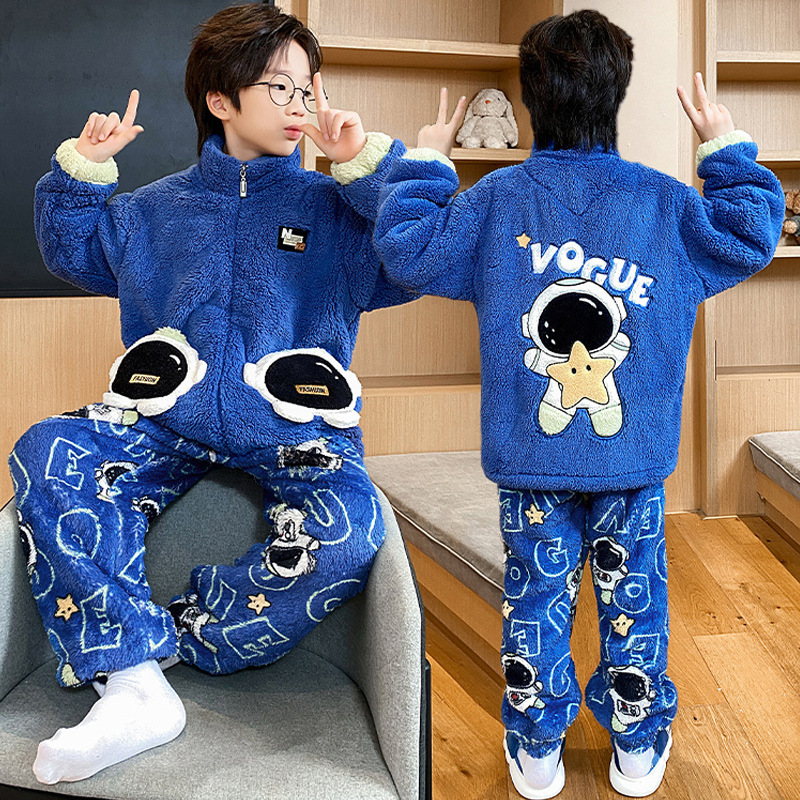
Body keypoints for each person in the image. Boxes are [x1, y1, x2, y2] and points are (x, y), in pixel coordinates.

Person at [374, 10, 783, 798]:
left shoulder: (496, 200)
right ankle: (637, 741)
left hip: (533, 458)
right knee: (634, 600)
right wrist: (723, 145)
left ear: (530, 98)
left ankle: (535, 747)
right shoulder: (664, 203)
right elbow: (749, 234)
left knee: (535, 598)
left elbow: (409, 249)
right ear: (618, 92)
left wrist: (426, 159)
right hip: (630, 459)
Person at [9, 2, 413, 785]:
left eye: (308, 89)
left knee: (355, 529)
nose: (301, 106)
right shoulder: (156, 208)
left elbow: (413, 259)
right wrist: (82, 173)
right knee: (45, 448)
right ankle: (134, 684)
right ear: (221, 100)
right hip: (165, 418)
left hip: (295, 429)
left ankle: (178, 639)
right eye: (279, 88)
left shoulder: (334, 212)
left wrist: (367, 172)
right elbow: (75, 254)